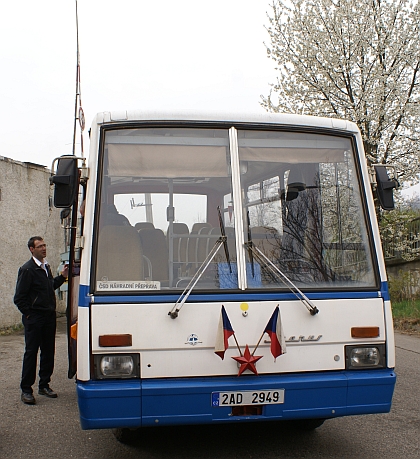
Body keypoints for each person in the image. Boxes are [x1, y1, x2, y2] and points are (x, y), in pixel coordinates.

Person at [14, 236, 69, 405]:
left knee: (48, 352)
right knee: (31, 353)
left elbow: (49, 287)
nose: (44, 248)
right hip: (35, 319)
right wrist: (29, 315)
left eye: (44, 245)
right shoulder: (27, 269)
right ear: (32, 249)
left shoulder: (45, 266)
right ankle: (26, 390)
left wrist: (62, 277)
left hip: (48, 317)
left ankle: (44, 385)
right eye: (39, 246)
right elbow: (19, 298)